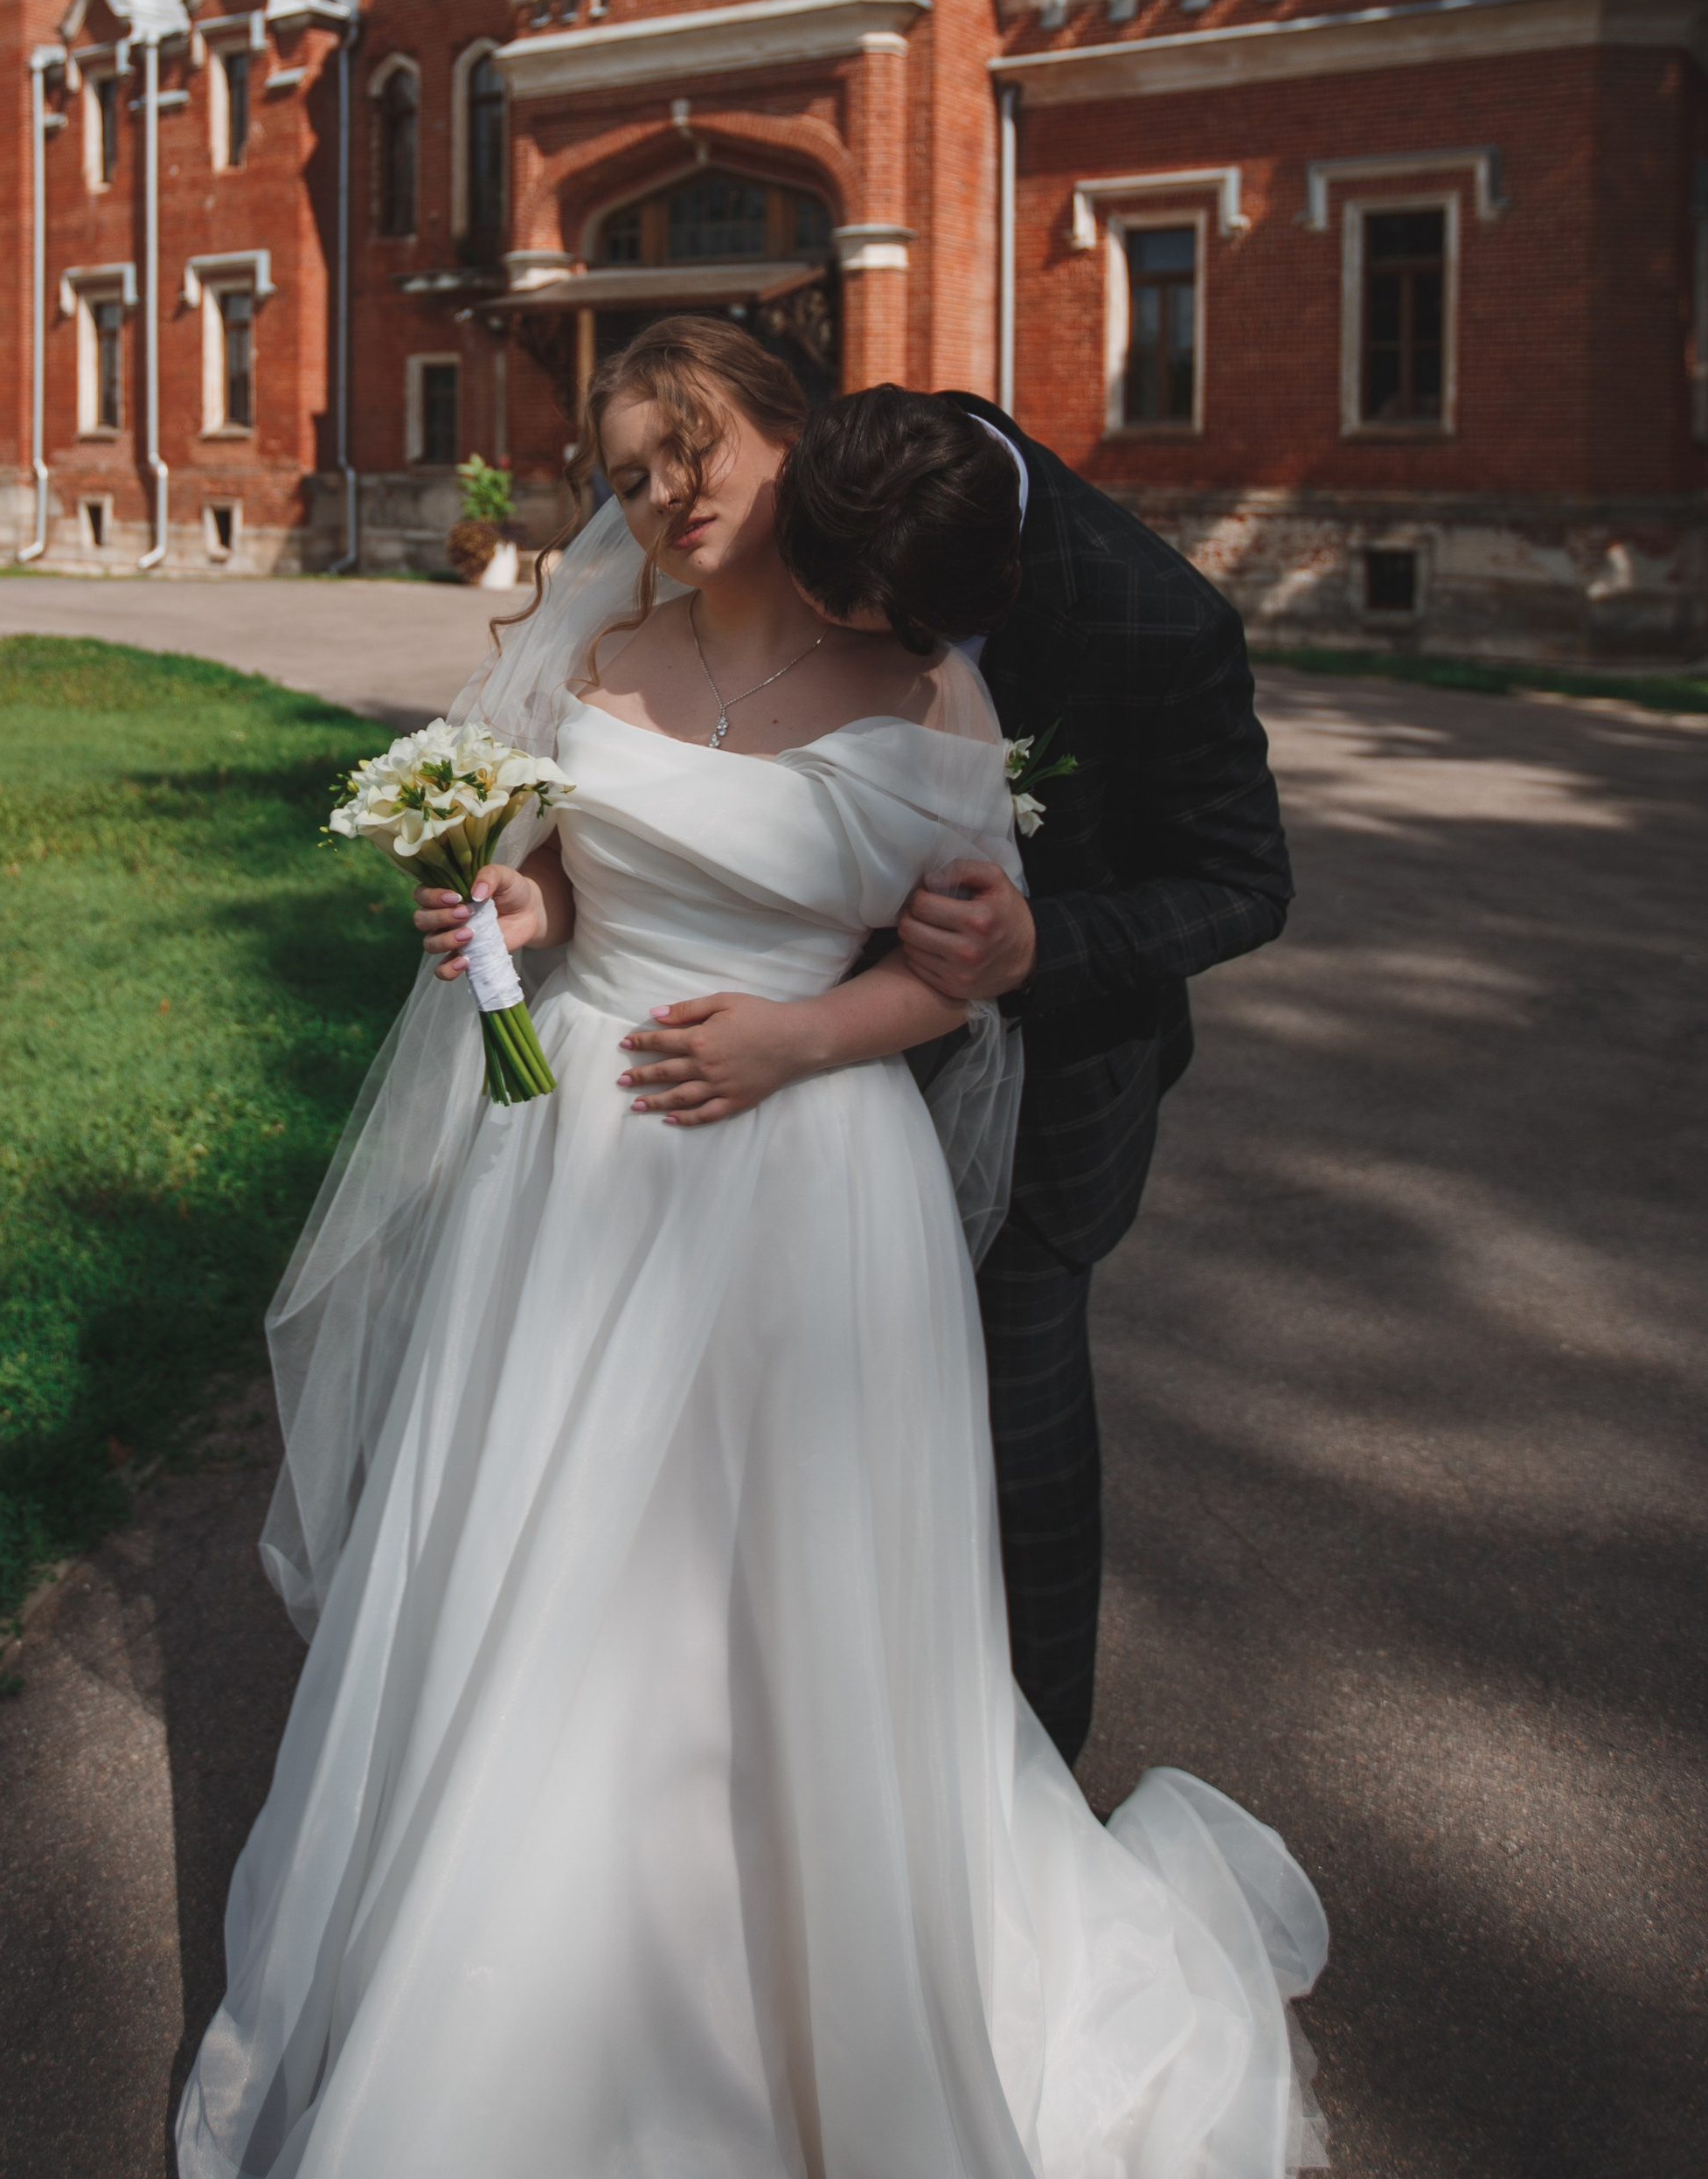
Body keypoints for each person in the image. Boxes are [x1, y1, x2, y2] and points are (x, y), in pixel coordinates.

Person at [175, 317, 1323, 2179]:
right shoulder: (598, 641)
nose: (662, 502)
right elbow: (555, 873)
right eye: (627, 472)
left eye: (694, 459)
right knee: (559, 1556)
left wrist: (825, 1026)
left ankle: (877, 1908)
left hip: (821, 1167)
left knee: (832, 1558)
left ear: (804, 442)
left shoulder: (974, 660)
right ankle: (522, 1959)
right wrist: (515, 909)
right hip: (573, 1180)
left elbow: (1046, 929)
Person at [774, 384, 1295, 1766]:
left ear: (987, 589)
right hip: (800, 1071)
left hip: (1051, 1095)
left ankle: (1032, 1791)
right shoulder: (821, 487)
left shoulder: (1153, 618)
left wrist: (1040, 942)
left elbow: (1246, 884)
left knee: (1019, 1448)